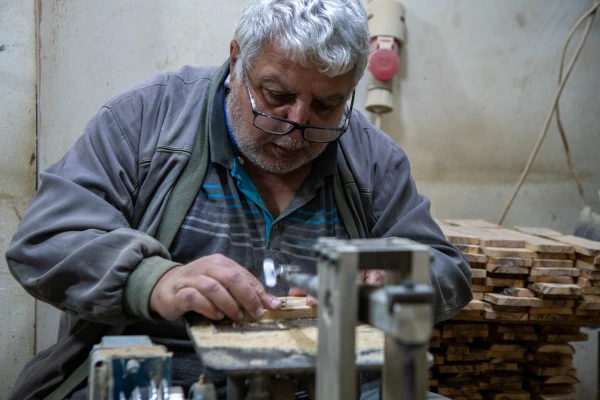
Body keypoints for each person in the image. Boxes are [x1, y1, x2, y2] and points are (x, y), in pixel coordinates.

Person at [6, 0, 471, 399]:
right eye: (277, 95)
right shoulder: (146, 121)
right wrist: (152, 280)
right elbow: (45, 239)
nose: (297, 124)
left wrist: (393, 277)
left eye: (326, 106)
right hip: (162, 373)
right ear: (235, 62)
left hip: (328, 383)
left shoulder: (372, 159)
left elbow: (446, 267)